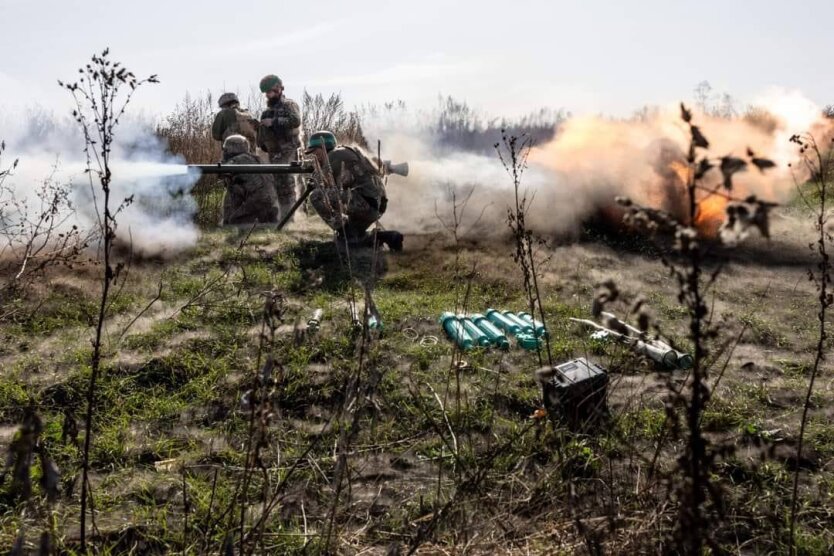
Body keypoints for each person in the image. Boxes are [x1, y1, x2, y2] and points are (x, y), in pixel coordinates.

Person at [304, 131, 403, 251]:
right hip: (375, 204)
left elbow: (321, 185)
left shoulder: (334, 156)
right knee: (353, 240)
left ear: (323, 148)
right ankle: (388, 237)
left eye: (315, 152)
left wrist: (314, 173)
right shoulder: (347, 152)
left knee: (316, 196)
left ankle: (344, 233)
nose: (314, 156)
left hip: (364, 203)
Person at [256, 75, 302, 221]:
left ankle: (289, 218)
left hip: (288, 150)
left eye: (271, 91)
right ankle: (283, 217)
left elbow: (295, 120)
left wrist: (274, 122)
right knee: (278, 185)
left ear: (279, 89)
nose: (269, 95)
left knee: (287, 184)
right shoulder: (267, 111)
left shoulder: (289, 104)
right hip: (274, 153)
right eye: (267, 93)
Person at [219, 135, 278, 226]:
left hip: (258, 202)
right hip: (272, 203)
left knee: (233, 221)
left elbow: (222, 174)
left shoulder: (237, 160)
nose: (224, 152)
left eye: (226, 149)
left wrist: (222, 165)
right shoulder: (256, 159)